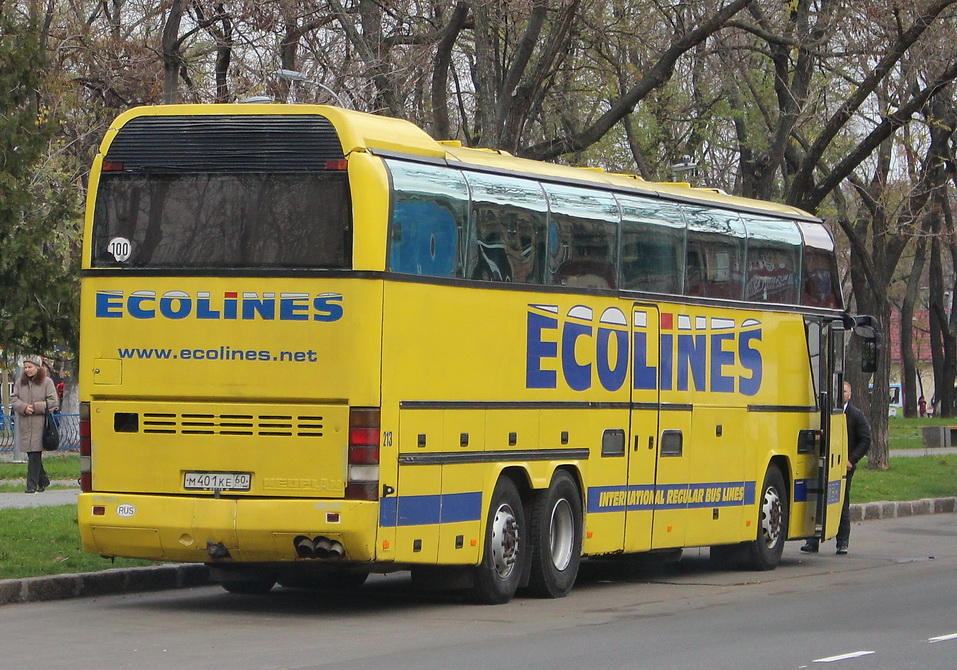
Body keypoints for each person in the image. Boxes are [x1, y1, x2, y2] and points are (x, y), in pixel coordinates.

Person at [802, 381, 872, 555]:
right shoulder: (825, 414)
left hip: (844, 466)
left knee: (841, 501)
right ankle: (812, 540)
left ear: (851, 394)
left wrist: (851, 460)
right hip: (823, 463)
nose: (842, 394)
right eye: (839, 391)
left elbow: (865, 439)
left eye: (845, 391)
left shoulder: (855, 415)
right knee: (817, 500)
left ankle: (842, 542)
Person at [11, 356, 59, 494]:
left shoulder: (47, 382)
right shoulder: (20, 383)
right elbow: (14, 399)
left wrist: (36, 407)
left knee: (35, 453)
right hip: (25, 423)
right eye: (25, 367)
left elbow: (53, 402)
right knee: (30, 452)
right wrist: (24, 407)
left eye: (30, 367)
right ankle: (43, 481)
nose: (27, 370)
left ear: (37, 367)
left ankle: (31, 485)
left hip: (40, 424)